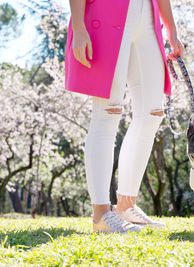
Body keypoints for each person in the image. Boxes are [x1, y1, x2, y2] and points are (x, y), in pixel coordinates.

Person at [65, 0, 184, 233]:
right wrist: (79, 28)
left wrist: (173, 31)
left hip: (148, 18)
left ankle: (126, 205)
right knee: (108, 111)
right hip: (105, 12)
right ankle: (100, 213)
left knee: (152, 113)